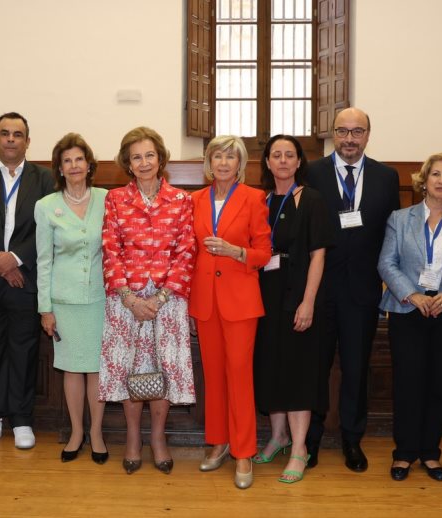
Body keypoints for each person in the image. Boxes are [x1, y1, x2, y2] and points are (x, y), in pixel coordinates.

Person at [305, 107, 400, 470]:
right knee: (316, 367)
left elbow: (391, 236)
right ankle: (310, 439)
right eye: (342, 131)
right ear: (332, 134)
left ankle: (351, 440)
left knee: (356, 369)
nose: (349, 139)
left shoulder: (386, 177)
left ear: (367, 135)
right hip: (319, 288)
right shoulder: (311, 172)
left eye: (357, 131)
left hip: (362, 291)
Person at [99, 127, 196, 475]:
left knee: (164, 371)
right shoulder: (115, 199)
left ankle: (157, 438)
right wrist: (129, 298)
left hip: (167, 302)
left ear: (161, 158)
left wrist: (161, 297)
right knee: (130, 370)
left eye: (150, 155)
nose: (144, 162)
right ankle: (132, 439)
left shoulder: (182, 200)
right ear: (128, 162)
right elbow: (111, 249)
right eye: (136, 156)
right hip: (126, 302)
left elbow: (186, 252)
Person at [377, 152, 442, 482]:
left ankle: (430, 452)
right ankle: (404, 453)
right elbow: (387, 263)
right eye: (436, 174)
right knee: (408, 383)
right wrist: (413, 295)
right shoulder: (399, 219)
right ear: (424, 179)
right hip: (407, 309)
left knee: (440, 385)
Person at [0, 112, 54, 451]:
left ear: (28, 141)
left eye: (18, 134)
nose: (11, 139)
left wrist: (15, 258)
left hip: (25, 280)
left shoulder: (44, 178)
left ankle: (21, 419)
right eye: (5, 133)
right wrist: (1, 262)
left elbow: (47, 227)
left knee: (24, 351)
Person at [190, 135, 271, 489]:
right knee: (214, 374)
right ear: (209, 162)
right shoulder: (194, 200)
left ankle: (243, 453)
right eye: (217, 156)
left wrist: (234, 251)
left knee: (239, 376)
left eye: (230, 157)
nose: (223, 163)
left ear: (240, 164)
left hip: (240, 301)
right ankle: (219, 442)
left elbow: (264, 253)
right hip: (205, 300)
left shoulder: (254, 199)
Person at [251, 135, 333, 484]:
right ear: (267, 162)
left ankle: (299, 448)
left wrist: (308, 301)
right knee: (271, 368)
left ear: (299, 162)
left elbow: (319, 254)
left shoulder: (312, 200)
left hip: (299, 293)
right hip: (264, 296)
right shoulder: (260, 200)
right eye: (276, 155)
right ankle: (278, 437)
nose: (283, 161)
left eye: (289, 155)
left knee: (298, 371)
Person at [34, 133, 109, 463]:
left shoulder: (109, 199)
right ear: (60, 168)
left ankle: (97, 433)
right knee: (70, 368)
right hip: (63, 301)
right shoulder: (46, 206)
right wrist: (45, 308)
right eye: (68, 161)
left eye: (80, 159)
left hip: (101, 299)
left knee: (96, 368)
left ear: (89, 165)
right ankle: (77, 431)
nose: (74, 165)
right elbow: (43, 260)